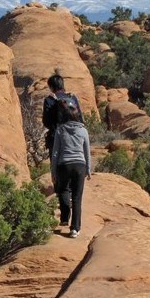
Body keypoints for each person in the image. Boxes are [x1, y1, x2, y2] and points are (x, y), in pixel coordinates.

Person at [51, 100, 92, 238]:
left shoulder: (60, 130)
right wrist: (89, 169)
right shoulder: (83, 130)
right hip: (80, 165)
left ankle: (64, 217)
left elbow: (55, 152)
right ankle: (75, 229)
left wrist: (53, 171)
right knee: (77, 196)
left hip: (64, 165)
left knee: (63, 190)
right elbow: (87, 151)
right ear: (76, 116)